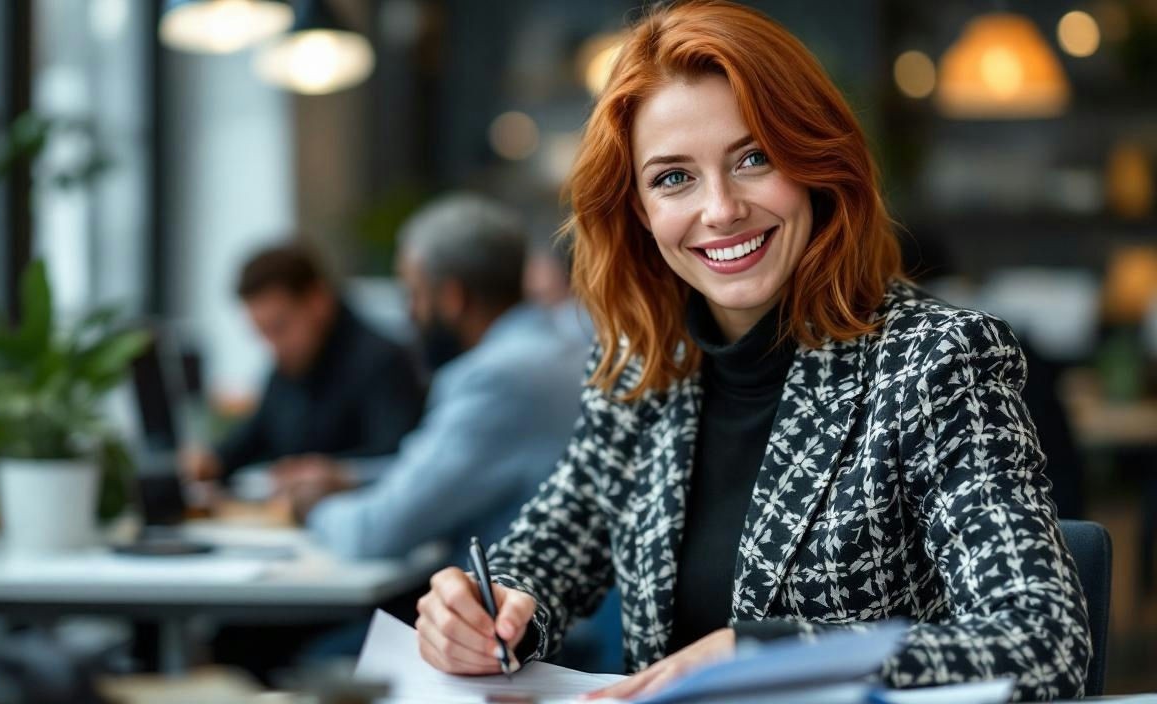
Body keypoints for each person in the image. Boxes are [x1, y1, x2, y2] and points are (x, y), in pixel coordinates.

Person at [414, 2, 1091, 701]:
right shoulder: (643, 366)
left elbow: (1041, 640)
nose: (721, 210)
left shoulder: (937, 361)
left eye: (754, 158)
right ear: (640, 212)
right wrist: (488, 611)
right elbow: (545, 558)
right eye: (674, 177)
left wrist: (762, 654)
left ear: (817, 165)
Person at [278, 194, 589, 568]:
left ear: (453, 297)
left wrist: (314, 506)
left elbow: (376, 532)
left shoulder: (495, 377)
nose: (409, 314)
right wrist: (351, 479)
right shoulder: (560, 347)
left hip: (514, 616)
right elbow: (452, 469)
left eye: (414, 294)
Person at [179, 243, 424, 486]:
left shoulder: (382, 361)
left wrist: (335, 473)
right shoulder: (290, 364)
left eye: (279, 327)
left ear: (317, 301)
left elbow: (397, 458)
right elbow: (258, 432)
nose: (273, 345)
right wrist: (214, 460)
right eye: (263, 333)